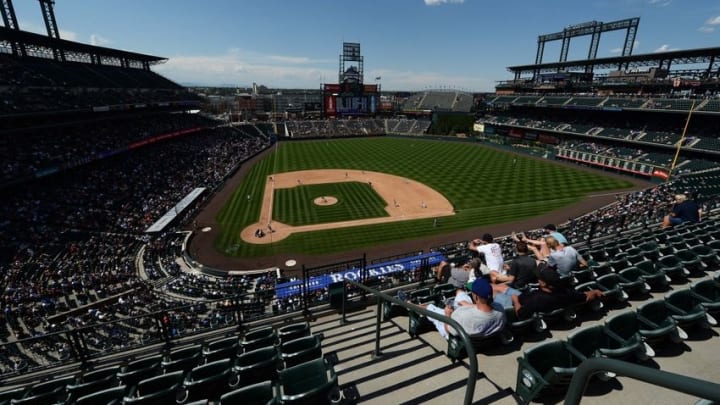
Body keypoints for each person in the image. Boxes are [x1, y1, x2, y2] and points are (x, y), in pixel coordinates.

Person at [420, 278, 506, 339]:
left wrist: (447, 315)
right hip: (485, 338)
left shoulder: (462, 316)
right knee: (460, 293)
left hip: (455, 328)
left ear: (475, 297)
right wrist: (468, 305)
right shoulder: (500, 309)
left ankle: (410, 306)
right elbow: (484, 309)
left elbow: (449, 332)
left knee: (429, 307)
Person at [510, 268, 603, 320]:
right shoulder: (566, 293)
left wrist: (515, 300)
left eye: (540, 278)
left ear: (543, 283)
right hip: (556, 310)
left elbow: (520, 314)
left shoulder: (536, 298)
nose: (538, 279)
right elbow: (585, 297)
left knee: (500, 289)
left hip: (517, 303)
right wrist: (594, 292)